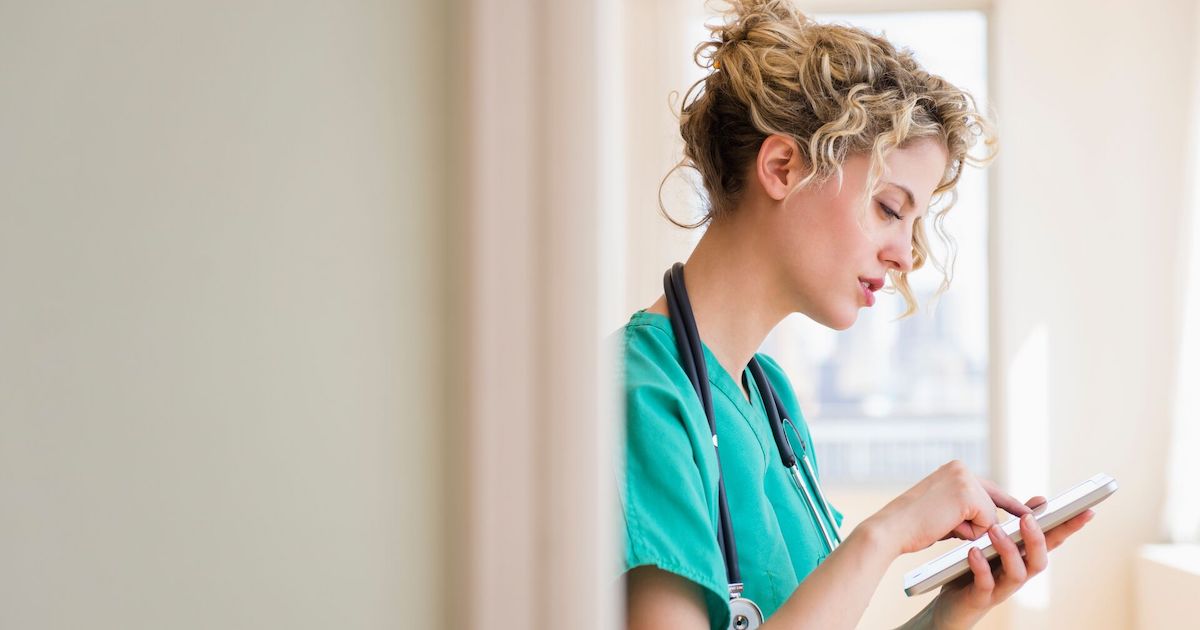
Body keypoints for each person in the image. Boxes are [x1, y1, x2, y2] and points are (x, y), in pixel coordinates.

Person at [617, 1, 1095, 629]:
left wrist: (950, 612)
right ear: (783, 168)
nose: (904, 255)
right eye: (890, 209)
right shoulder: (639, 396)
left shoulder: (771, 400)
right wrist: (886, 532)